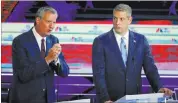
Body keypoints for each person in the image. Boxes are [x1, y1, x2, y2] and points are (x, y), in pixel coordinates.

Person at [92, 4, 172, 103]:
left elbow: (150, 68)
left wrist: (159, 88)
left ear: (129, 20)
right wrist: (105, 99)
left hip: (135, 98)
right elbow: (98, 74)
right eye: (115, 18)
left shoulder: (140, 40)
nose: (117, 22)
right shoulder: (101, 41)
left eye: (121, 19)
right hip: (110, 99)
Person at [8, 6, 69, 103]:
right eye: (49, 21)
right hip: (26, 99)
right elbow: (23, 75)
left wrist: (56, 59)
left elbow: (65, 72)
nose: (52, 26)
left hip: (48, 99)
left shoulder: (54, 40)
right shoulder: (20, 41)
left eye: (54, 22)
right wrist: (48, 59)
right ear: (38, 20)